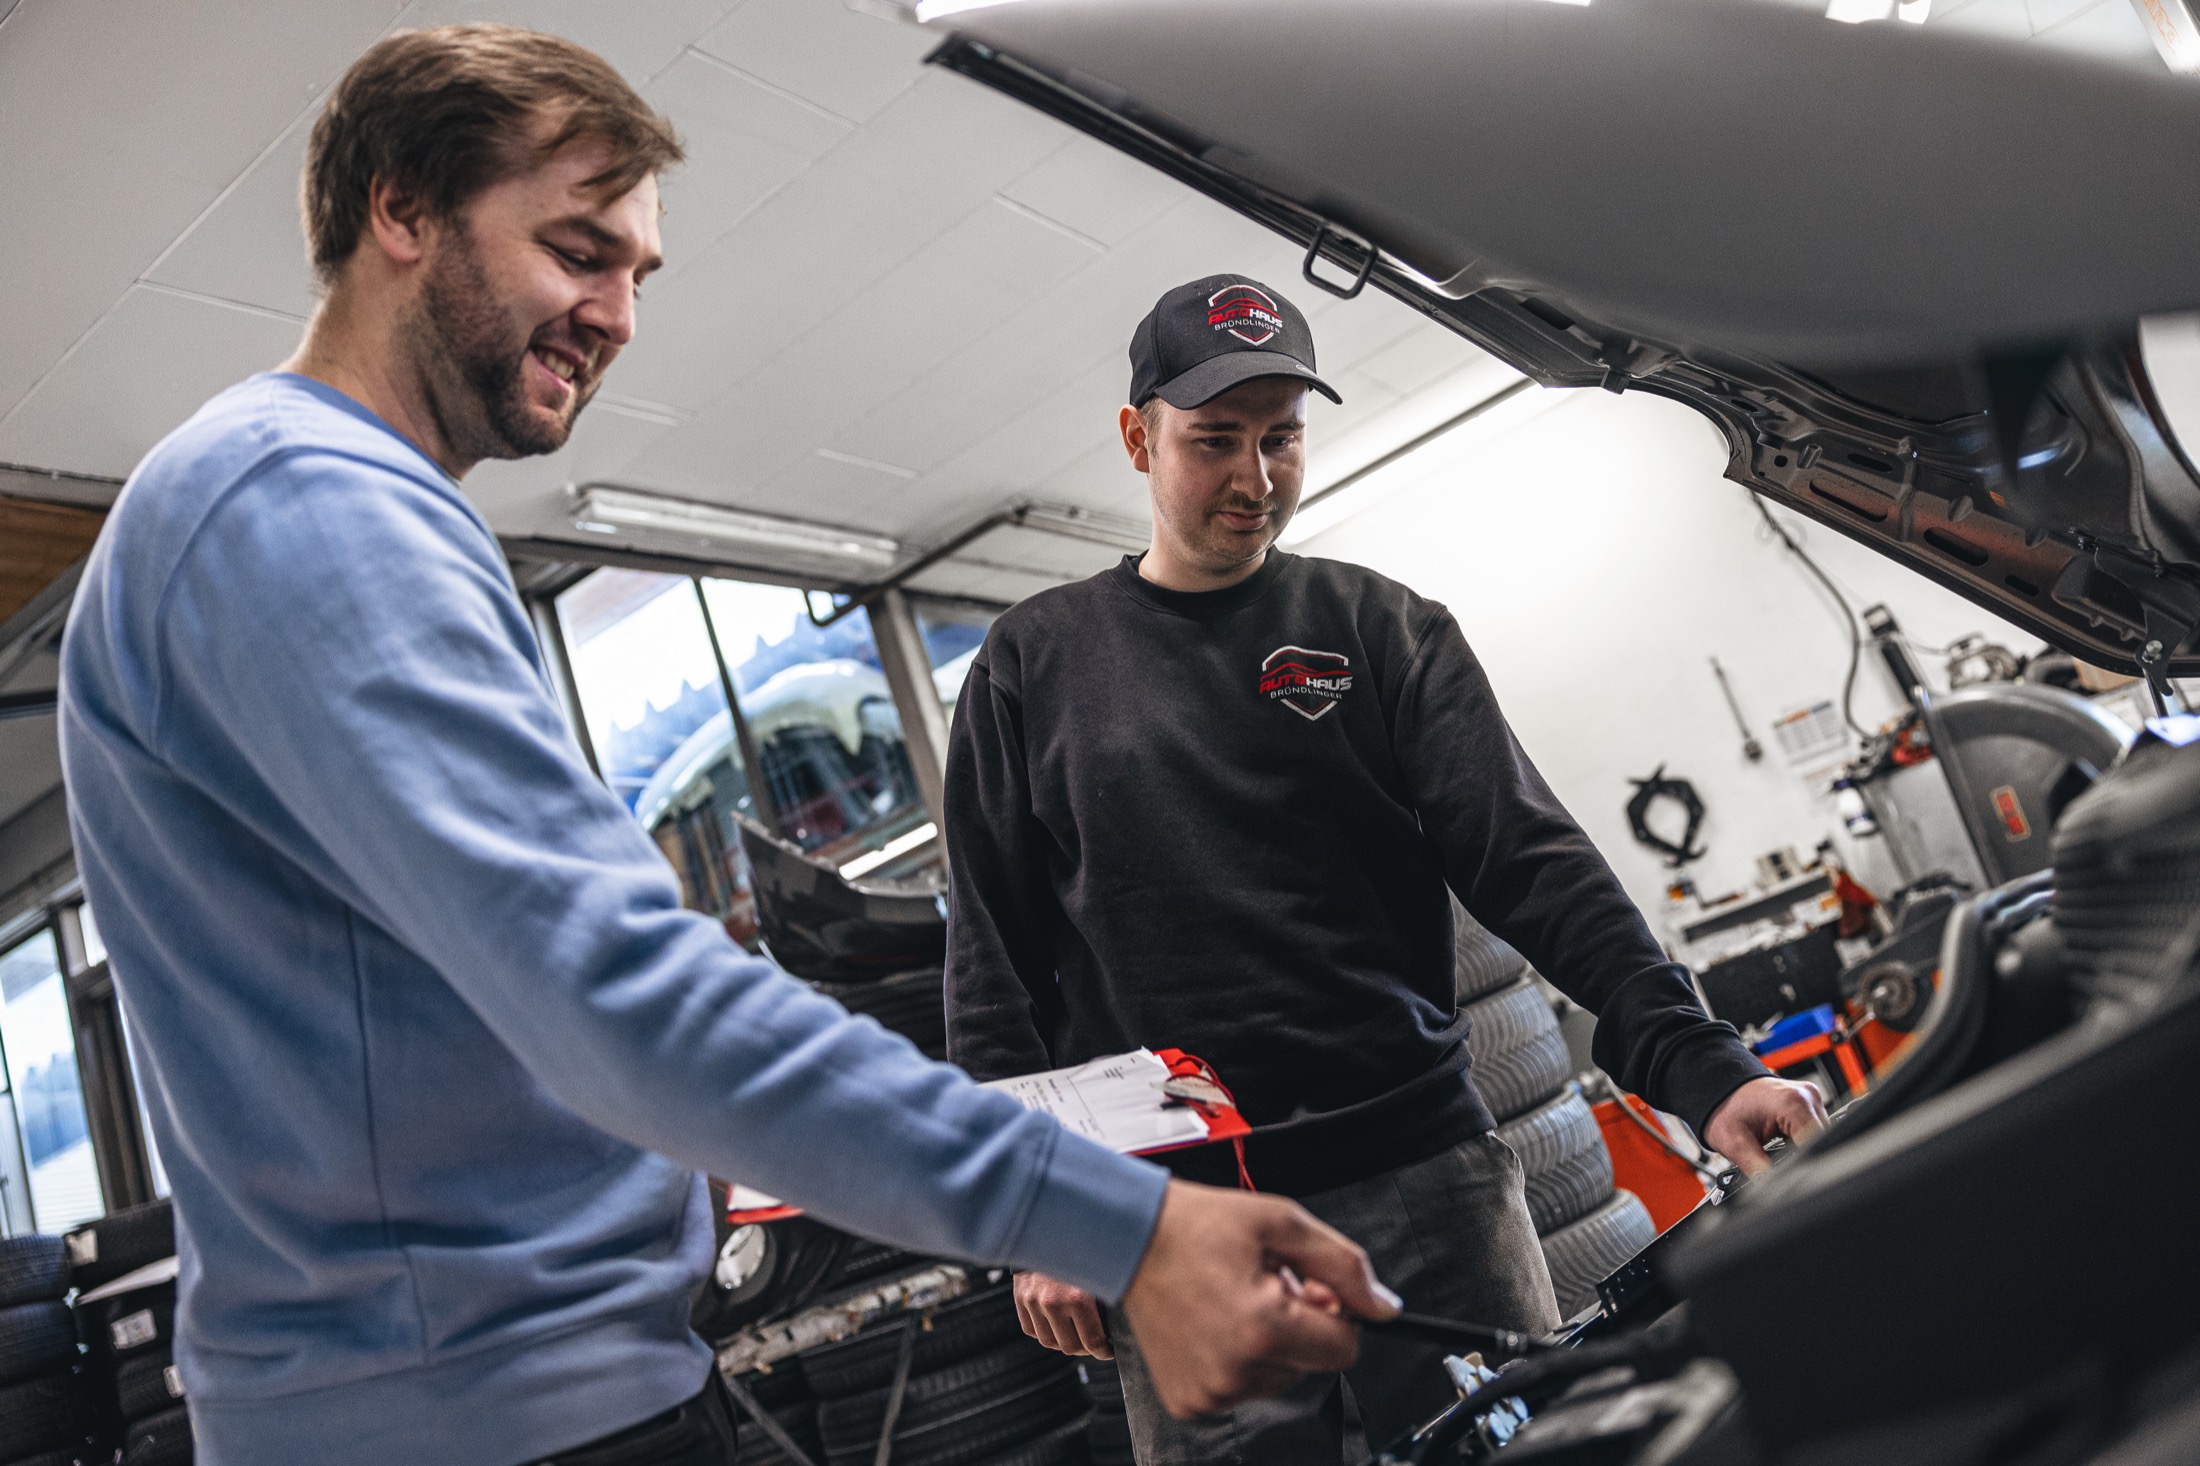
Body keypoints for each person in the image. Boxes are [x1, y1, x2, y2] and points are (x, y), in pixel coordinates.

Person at [56, 34, 1398, 1466]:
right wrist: (1118, 1221)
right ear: (400, 211)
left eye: (638, 271)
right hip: (482, 1417)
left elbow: (488, 1012)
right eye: (580, 249)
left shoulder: (319, 503)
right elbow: (615, 989)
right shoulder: (300, 504)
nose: (620, 313)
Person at [942, 274, 1830, 1464]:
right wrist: (1033, 1212)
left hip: (1430, 1185)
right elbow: (991, 967)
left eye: (1281, 437)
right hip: (1182, 1227)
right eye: (1214, 441)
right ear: (1135, 436)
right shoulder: (1030, 665)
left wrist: (1699, 1062)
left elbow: (1530, 860)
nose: (1254, 479)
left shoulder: (1381, 629)